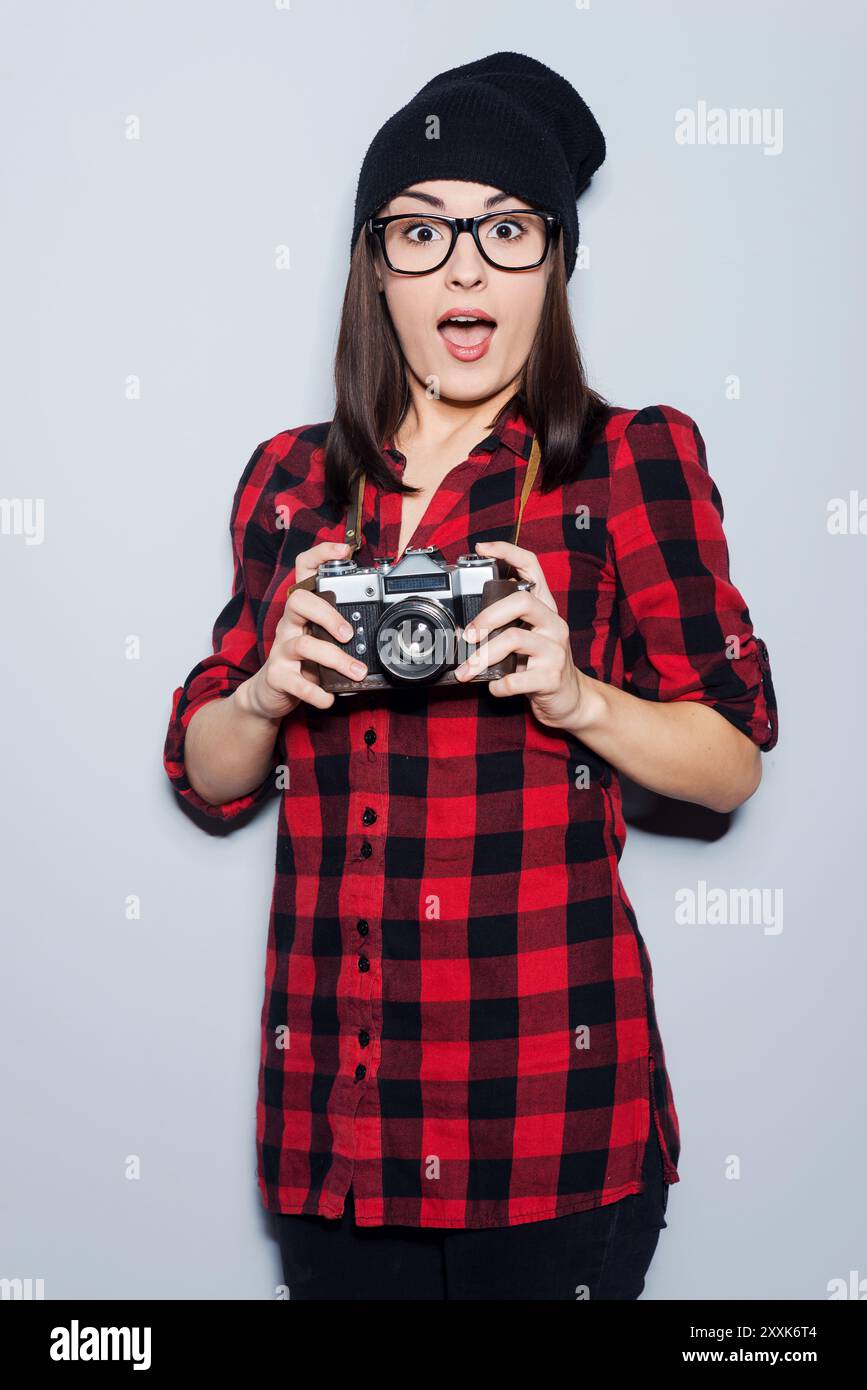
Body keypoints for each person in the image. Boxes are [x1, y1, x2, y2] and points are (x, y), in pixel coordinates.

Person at [163, 51, 778, 1300]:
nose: (462, 263)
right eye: (420, 228)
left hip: (551, 1121)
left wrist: (575, 695)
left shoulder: (626, 460)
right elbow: (203, 769)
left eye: (505, 228)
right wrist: (267, 691)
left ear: (554, 260)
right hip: (336, 1127)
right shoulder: (292, 479)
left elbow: (733, 761)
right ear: (372, 265)